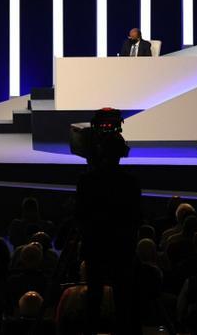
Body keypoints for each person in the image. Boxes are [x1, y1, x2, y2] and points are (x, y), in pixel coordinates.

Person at [75, 121, 142, 335]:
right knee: (124, 299)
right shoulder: (130, 182)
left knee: (93, 297)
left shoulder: (87, 180)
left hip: (95, 247)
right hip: (122, 248)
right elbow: (136, 216)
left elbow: (80, 214)